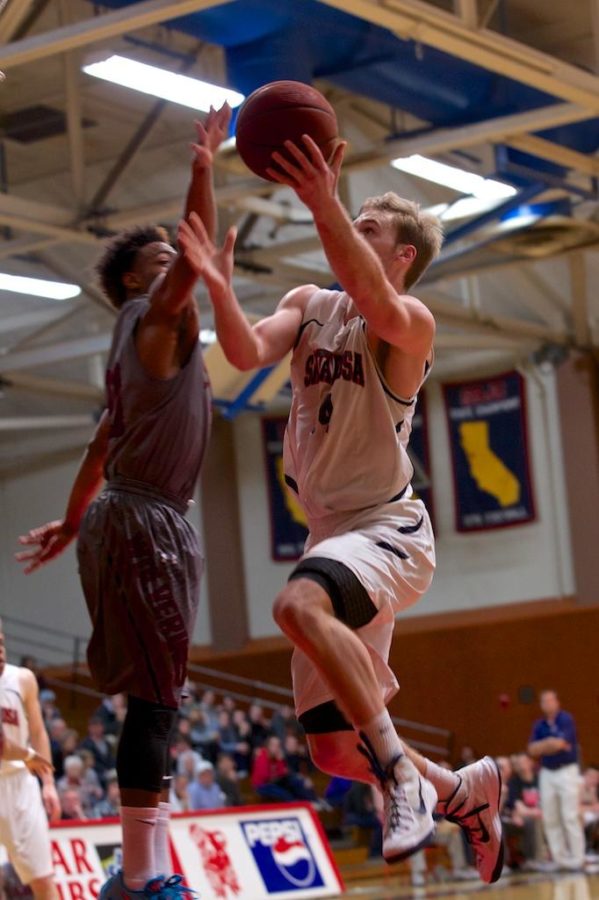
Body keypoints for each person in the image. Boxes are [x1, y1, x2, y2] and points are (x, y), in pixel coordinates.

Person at [189, 132, 503, 883]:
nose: (346, 228)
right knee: (331, 750)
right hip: (330, 537)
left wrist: (321, 198)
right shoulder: (307, 306)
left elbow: (368, 292)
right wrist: (218, 288)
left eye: (367, 228)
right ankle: (459, 791)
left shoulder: (408, 327)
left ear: (399, 258)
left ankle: (398, 776)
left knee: (296, 606)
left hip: (387, 531)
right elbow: (241, 352)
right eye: (348, 219)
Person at [15, 104, 231, 900]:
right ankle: (141, 878)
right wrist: (204, 167)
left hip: (127, 515)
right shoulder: (150, 315)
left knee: (155, 698)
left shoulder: (144, 353)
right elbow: (187, 263)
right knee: (155, 704)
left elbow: (100, 443)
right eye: (166, 256)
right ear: (138, 279)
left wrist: (74, 521)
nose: (180, 257)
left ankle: (141, 870)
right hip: (145, 520)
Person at [0, 619, 60, 900]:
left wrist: (48, 782)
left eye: (1, 643)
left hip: (21, 784)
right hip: (17, 764)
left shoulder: (22, 679)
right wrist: (29, 755)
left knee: (43, 879)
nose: (0, 651)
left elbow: (37, 730)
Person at [528, 689, 585, 871]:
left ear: (557, 702)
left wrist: (545, 746)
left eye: (550, 700)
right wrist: (550, 744)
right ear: (541, 705)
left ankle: (578, 859)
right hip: (547, 773)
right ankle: (560, 860)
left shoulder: (566, 719)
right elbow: (532, 750)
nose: (547, 704)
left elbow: (561, 743)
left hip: (567, 771)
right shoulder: (539, 725)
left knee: (569, 815)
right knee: (551, 817)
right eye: (544, 701)